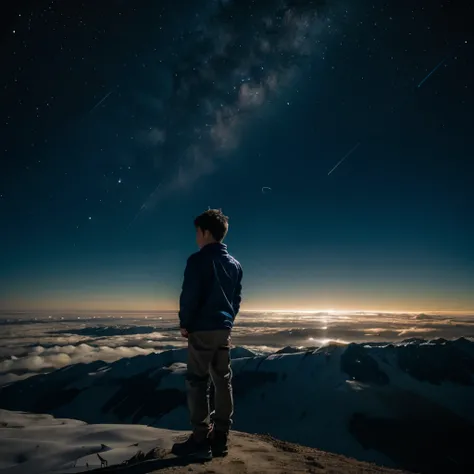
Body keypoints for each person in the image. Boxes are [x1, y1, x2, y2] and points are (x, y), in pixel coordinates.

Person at [171, 209, 243, 461]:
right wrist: (227, 322)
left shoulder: (197, 260)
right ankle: (221, 437)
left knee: (197, 381)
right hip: (223, 329)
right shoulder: (235, 265)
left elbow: (189, 296)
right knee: (223, 380)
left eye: (197, 232)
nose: (196, 238)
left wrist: (185, 323)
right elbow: (236, 300)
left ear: (206, 232)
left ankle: (200, 438)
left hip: (201, 329)